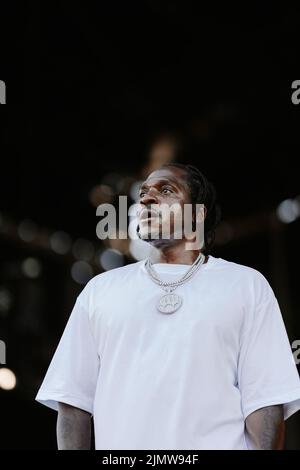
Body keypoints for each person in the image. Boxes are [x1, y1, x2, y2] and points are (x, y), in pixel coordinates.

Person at [36, 163, 300, 450]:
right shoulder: (99, 291)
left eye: (166, 190)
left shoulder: (246, 286)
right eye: (144, 193)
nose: (147, 199)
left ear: (198, 215)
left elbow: (265, 403)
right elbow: (73, 403)